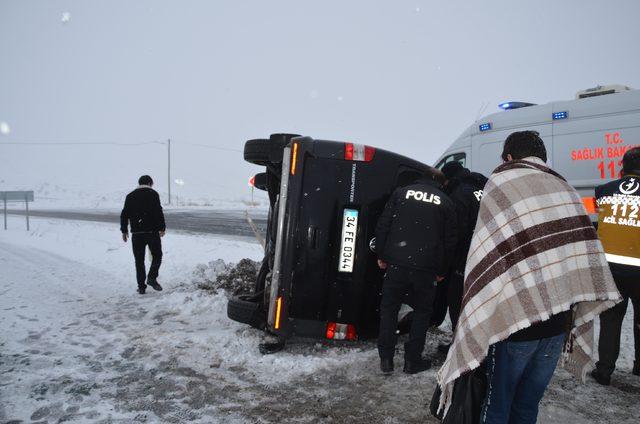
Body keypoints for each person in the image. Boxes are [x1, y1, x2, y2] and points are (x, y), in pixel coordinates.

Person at [436, 131, 620, 424]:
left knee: (497, 403)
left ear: (509, 157)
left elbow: (487, 255)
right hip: (557, 322)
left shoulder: (503, 181)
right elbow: (580, 252)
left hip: (514, 323)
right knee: (526, 405)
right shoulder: (564, 187)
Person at [375, 169, 457, 375]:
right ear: (439, 183)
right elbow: (450, 241)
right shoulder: (446, 202)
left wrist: (381, 255)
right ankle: (412, 361)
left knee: (389, 309)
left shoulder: (401, 193)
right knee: (422, 313)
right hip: (426, 268)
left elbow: (384, 224)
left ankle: (386, 359)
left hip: (397, 264)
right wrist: (442, 269)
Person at [592, 146, 640, 385]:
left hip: (611, 268)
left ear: (623, 166)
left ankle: (604, 370)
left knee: (610, 319)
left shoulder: (604, 191)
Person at [434, 161, 488, 353]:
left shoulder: (459, 195)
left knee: (457, 303)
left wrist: (446, 263)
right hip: (487, 256)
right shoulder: (483, 188)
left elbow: (456, 233)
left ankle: (461, 350)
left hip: (465, 260)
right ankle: (479, 346)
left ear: (449, 179)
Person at [120, 175, 166, 294]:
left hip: (137, 234)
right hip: (152, 232)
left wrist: (124, 230)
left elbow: (124, 214)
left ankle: (141, 287)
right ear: (150, 183)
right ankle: (151, 277)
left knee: (139, 261)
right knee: (157, 255)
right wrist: (162, 227)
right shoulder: (153, 194)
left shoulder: (130, 196)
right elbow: (158, 211)